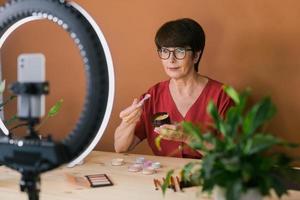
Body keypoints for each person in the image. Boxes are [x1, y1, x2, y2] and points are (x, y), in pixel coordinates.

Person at [114, 18, 233, 159]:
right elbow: (120, 148)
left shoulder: (222, 96)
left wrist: (187, 137)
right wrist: (128, 121)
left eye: (180, 51)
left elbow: (230, 157)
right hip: (164, 178)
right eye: (165, 51)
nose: (171, 59)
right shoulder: (153, 95)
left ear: (196, 55)